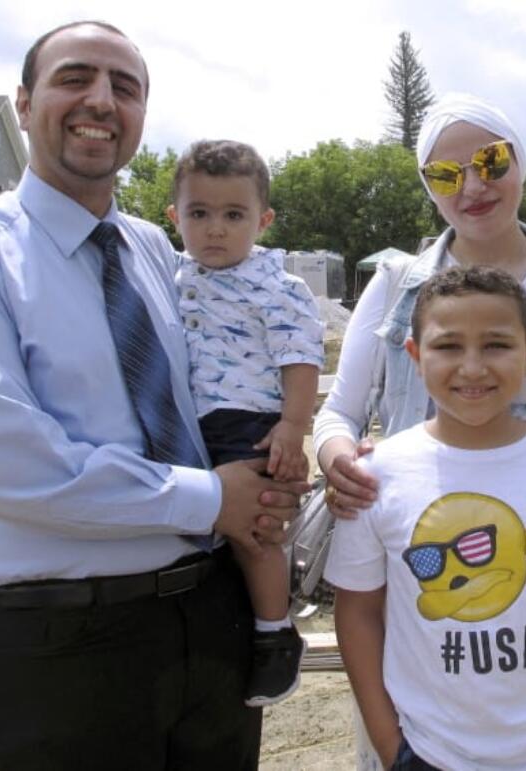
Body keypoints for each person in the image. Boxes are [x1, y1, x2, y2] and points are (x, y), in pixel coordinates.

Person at [0, 21, 306, 769]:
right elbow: (10, 466)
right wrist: (211, 499)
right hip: (58, 649)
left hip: (207, 622)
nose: (101, 100)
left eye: (125, 87)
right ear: (23, 104)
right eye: (75, 77)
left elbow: (219, 385)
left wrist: (281, 451)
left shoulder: (159, 251)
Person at [326, 265, 526, 770]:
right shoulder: (378, 476)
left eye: (496, 345)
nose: (473, 368)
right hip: (431, 752)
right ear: (414, 357)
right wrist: (392, 746)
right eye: (449, 346)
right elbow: (359, 611)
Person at [313, 92, 526, 521]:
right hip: (433, 531)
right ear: (429, 188)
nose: (474, 186)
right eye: (445, 176)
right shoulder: (394, 286)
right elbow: (339, 412)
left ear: (520, 161)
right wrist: (340, 463)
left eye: (491, 161)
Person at [168, 138, 323, 706]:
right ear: (175, 217)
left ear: (263, 220)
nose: (215, 229)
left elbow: (301, 357)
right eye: (199, 214)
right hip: (186, 426)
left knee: (257, 532)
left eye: (234, 215)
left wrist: (293, 426)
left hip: (250, 423)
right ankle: (225, 630)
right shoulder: (173, 276)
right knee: (199, 536)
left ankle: (274, 633)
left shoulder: (276, 286)